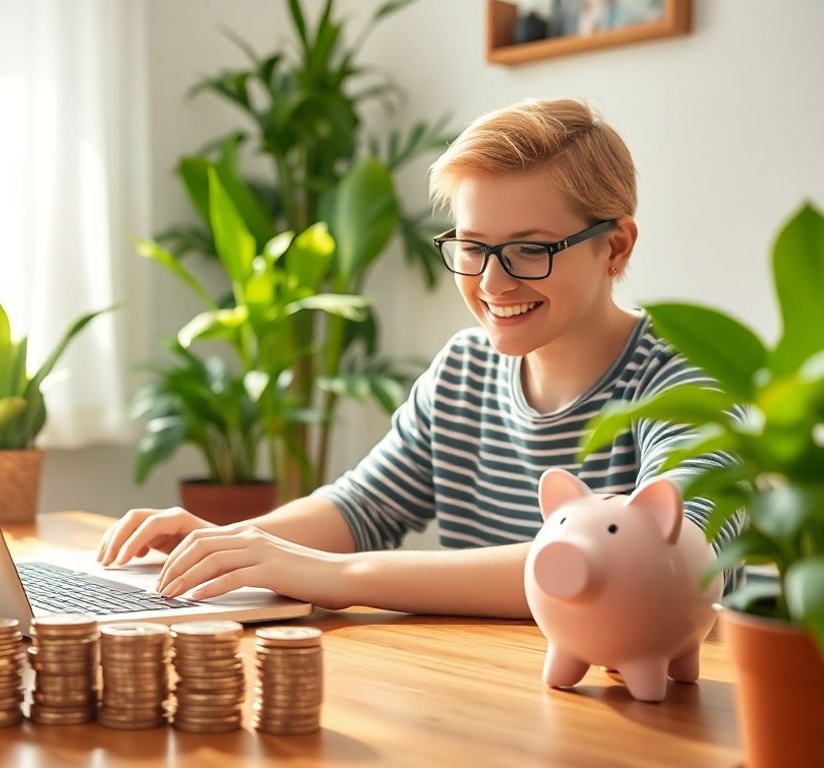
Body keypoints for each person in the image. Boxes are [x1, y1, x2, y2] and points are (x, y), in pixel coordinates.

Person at [98, 98, 741, 618]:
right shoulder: (465, 369)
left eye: (529, 250)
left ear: (615, 247)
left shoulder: (688, 379)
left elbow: (664, 563)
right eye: (472, 247)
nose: (492, 284)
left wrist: (339, 576)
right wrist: (233, 545)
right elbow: (361, 507)